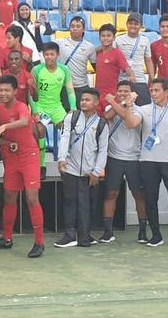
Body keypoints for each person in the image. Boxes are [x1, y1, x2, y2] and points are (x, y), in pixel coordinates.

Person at [0, 75, 45, 258]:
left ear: (14, 91)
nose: (3, 93)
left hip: (29, 156)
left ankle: (39, 242)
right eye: (0, 90)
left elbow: (24, 121)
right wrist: (4, 142)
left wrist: (3, 127)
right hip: (11, 157)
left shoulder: (20, 106)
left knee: (31, 197)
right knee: (9, 196)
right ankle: (7, 238)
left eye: (6, 90)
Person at [136, 78, 168, 249]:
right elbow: (132, 122)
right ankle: (156, 235)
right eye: (151, 90)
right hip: (147, 161)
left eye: (156, 90)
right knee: (151, 199)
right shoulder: (143, 110)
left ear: (166, 92)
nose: (153, 93)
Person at [54, 88, 108, 248]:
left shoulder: (101, 124)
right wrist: (61, 158)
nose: (83, 102)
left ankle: (85, 236)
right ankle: (70, 235)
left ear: (96, 103)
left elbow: (103, 149)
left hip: (89, 172)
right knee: (70, 202)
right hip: (70, 168)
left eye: (88, 100)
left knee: (86, 205)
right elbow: (64, 138)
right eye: (82, 99)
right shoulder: (72, 117)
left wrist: (97, 171)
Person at [100, 81, 149, 244]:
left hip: (134, 158)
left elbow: (130, 122)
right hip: (114, 157)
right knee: (111, 194)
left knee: (139, 195)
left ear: (132, 94)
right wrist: (119, 102)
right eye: (119, 90)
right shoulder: (110, 108)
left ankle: (142, 231)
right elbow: (107, 116)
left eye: (126, 91)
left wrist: (116, 101)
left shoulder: (139, 111)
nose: (122, 93)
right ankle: (108, 231)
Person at [31, 42, 75, 177]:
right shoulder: (37, 70)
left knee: (67, 128)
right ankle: (41, 165)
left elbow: (70, 91)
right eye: (46, 55)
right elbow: (31, 93)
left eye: (52, 54)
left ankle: (64, 163)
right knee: (40, 130)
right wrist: (34, 111)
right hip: (41, 106)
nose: (49, 57)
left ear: (57, 55)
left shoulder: (64, 70)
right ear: (43, 55)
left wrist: (73, 108)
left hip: (56, 107)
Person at [114, 13, 154, 105]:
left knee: (143, 108)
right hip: (122, 80)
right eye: (130, 23)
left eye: (136, 24)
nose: (133, 26)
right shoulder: (118, 39)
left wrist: (152, 79)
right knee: (123, 109)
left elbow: (148, 60)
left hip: (139, 80)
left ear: (140, 26)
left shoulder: (145, 40)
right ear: (127, 24)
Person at [95, 24, 136, 110]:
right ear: (99, 38)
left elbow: (126, 68)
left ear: (113, 38)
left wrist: (132, 76)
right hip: (98, 94)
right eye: (103, 36)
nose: (106, 38)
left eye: (109, 36)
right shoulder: (97, 52)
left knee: (110, 119)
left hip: (111, 95)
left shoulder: (117, 53)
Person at [57, 16, 96, 102]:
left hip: (81, 87)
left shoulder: (90, 47)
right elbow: (41, 46)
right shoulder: (60, 43)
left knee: (81, 113)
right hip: (64, 86)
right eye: (72, 26)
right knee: (66, 114)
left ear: (83, 29)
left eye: (78, 26)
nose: (75, 29)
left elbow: (96, 67)